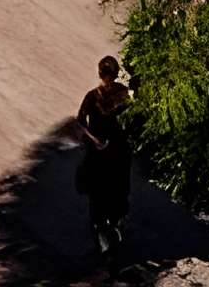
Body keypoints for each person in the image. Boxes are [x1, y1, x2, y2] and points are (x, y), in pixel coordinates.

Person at [74, 54, 138, 266]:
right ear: (117, 72)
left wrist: (95, 141)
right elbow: (130, 122)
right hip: (119, 152)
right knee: (120, 190)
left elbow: (81, 122)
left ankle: (104, 239)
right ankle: (117, 225)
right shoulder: (123, 95)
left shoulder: (92, 96)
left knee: (96, 195)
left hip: (99, 153)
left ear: (100, 73)